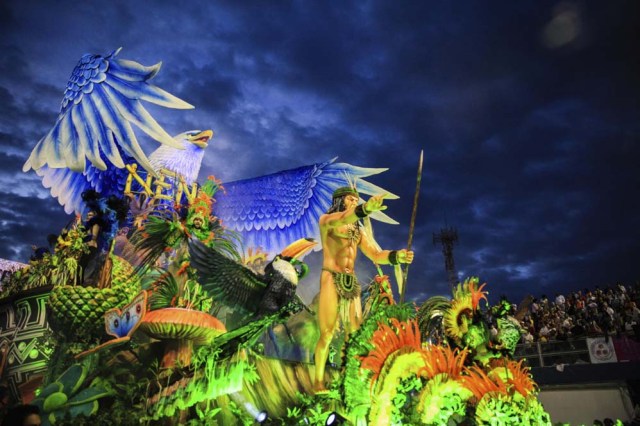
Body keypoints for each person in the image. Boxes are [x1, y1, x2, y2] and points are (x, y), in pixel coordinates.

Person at [312, 187, 414, 392]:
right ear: (340, 200)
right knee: (327, 333)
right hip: (331, 277)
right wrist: (365, 208)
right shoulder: (327, 220)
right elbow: (342, 218)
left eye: (356, 200)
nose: (353, 202)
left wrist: (397, 256)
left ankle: (350, 379)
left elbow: (376, 254)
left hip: (351, 281)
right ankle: (318, 382)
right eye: (350, 199)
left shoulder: (358, 230)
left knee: (355, 334)